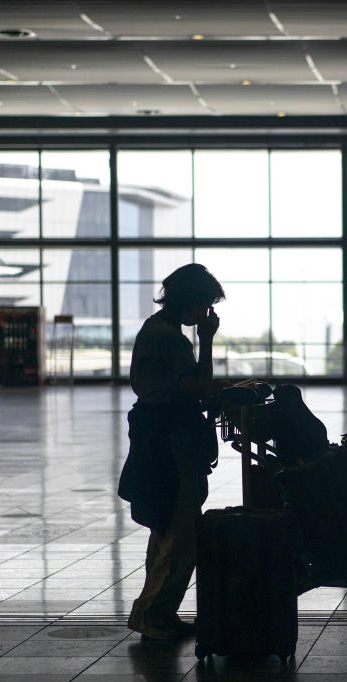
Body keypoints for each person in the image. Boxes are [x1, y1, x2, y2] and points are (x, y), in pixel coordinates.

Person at [118, 263, 225, 639]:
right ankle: (152, 615)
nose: (206, 314)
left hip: (158, 438)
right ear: (191, 301)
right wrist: (208, 340)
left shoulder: (156, 329)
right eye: (204, 305)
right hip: (170, 443)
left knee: (167, 529)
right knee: (179, 532)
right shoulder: (170, 337)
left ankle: (157, 611)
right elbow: (198, 386)